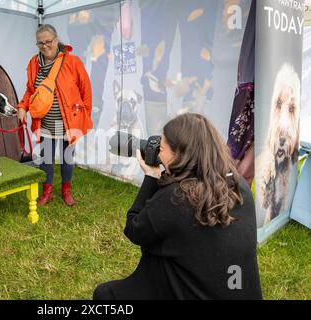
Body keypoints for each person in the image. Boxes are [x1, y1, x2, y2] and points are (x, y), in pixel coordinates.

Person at [93, 113, 262, 299]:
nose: (158, 152)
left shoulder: (177, 198)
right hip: (234, 287)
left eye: (162, 148)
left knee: (104, 295)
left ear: (180, 155)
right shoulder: (240, 186)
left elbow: (135, 229)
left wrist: (151, 176)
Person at [17, 24, 93, 206]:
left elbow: (86, 91)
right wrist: (23, 107)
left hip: (69, 122)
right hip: (45, 123)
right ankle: (47, 192)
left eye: (48, 41)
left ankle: (66, 191)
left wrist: (84, 116)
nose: (45, 46)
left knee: (67, 159)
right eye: (40, 43)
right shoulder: (33, 64)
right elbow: (30, 91)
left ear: (56, 40)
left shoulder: (73, 62)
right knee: (46, 160)